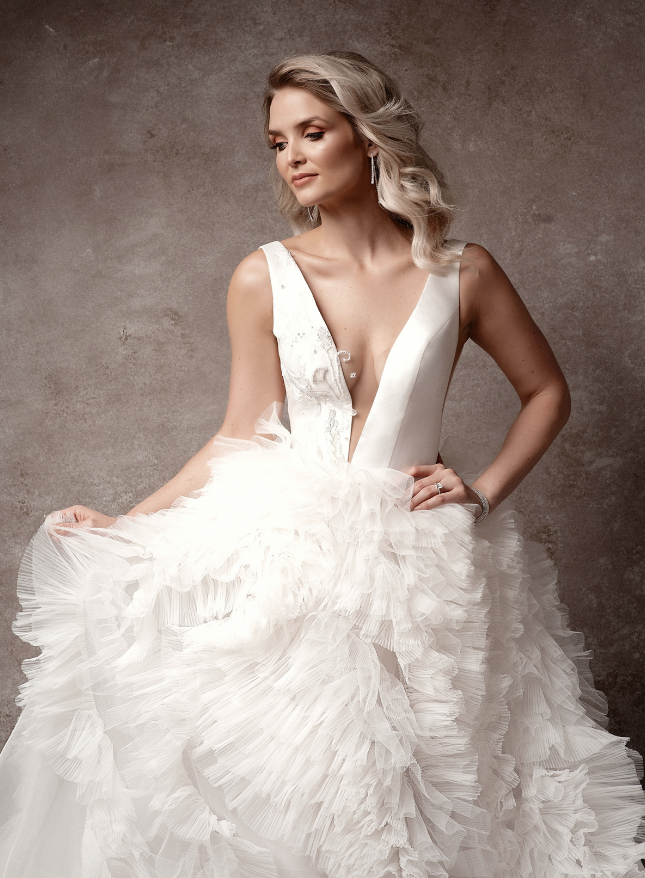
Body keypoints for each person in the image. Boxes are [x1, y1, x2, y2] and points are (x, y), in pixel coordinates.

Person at [0, 51, 643, 878]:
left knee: (441, 781)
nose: (292, 157)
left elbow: (546, 392)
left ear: (368, 139)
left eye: (311, 133)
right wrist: (128, 524)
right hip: (289, 550)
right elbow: (240, 432)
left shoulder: (464, 271)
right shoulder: (261, 275)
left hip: (423, 558)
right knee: (293, 778)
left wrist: (482, 489)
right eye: (277, 142)